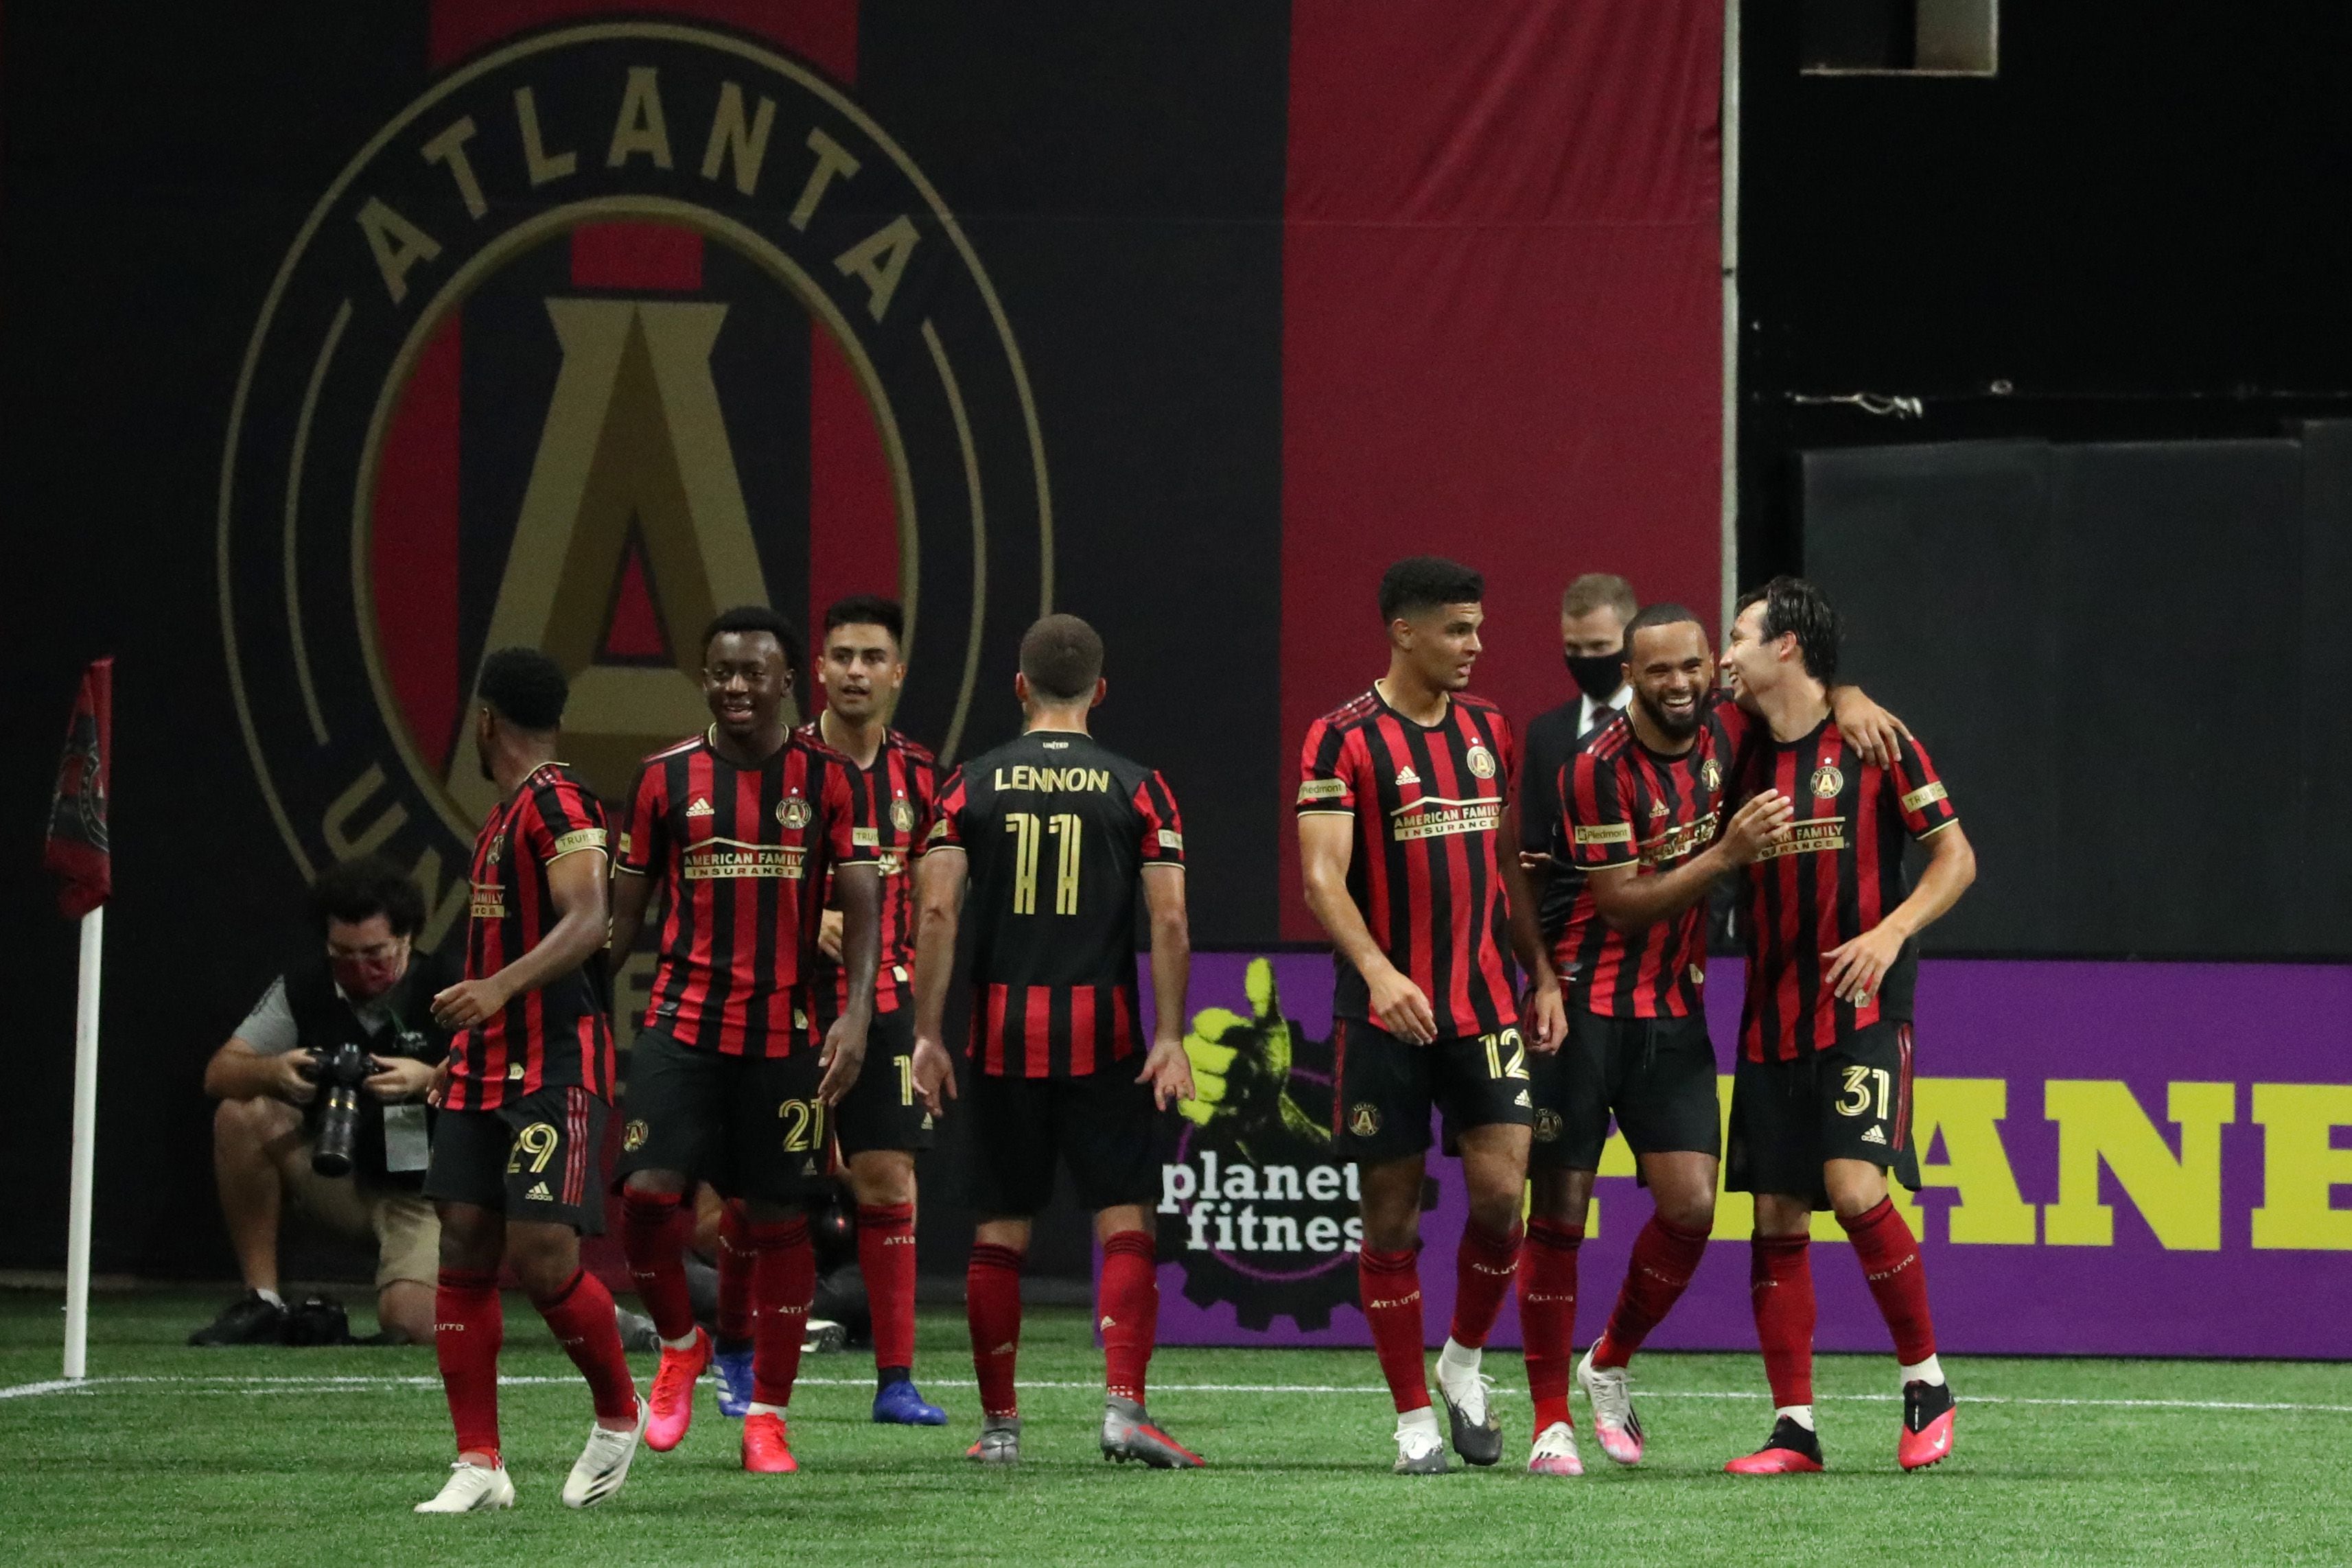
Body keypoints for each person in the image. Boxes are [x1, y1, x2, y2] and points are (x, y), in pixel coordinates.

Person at [1523, 605, 1907, 1473]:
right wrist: (1726, 854)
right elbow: (1620, 903)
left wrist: (1845, 694)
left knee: (1693, 1206)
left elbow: (1800, 699)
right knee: (1558, 1213)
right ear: (1631, 675)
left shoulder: (1723, 741)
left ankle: (1608, 1360)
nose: (1683, 682)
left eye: (1695, 665)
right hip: (1584, 1006)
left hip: (1673, 1011)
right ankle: (1551, 1421)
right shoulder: (1596, 768)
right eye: (1659, 671)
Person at [1295, 557, 1565, 1475]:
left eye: (1477, 629)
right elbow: (1321, 876)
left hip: (1484, 1003)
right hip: (1385, 1017)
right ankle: (1411, 1414)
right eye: (1457, 629)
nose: (1474, 645)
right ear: (1403, 632)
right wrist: (1376, 973)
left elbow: (1505, 867)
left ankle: (1459, 1362)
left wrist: (1539, 972)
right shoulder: (1340, 739)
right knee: (1391, 1219)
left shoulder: (1489, 729)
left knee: (1500, 1199)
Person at [911, 613, 1200, 1468]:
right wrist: (1172, 1033)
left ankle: (1000, 1426)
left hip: (1001, 1033)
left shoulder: (967, 786)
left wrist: (927, 1033)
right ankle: (1124, 1411)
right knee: (1123, 1216)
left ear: (1019, 687)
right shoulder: (1139, 786)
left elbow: (935, 912)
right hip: (1103, 1033)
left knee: (1000, 1229)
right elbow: (1171, 918)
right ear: (1099, 691)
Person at [607, 605, 883, 1477]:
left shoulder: (831, 777)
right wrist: (573, 1003)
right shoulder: (662, 780)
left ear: (785, 681)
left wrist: (857, 1012)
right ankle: (682, 1345)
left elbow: (865, 903)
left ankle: (767, 1414)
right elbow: (619, 923)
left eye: (751, 672)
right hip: (680, 1024)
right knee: (647, 1201)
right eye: (720, 670)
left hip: (783, 1034)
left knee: (779, 1219)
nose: (734, 686)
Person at [1716, 576, 1975, 1475]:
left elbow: (1955, 857)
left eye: (1739, 634)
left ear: (1784, 644)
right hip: (1765, 1019)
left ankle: (1925, 1380)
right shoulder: (1736, 752)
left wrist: (1889, 930)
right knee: (1776, 1213)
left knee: (1855, 1188)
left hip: (1862, 1008)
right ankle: (1792, 1428)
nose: (1725, 651)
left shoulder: (1873, 739)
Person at [415, 648, 643, 1514]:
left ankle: (620, 1413)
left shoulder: (556, 798)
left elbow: (589, 922)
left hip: (551, 1064)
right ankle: (480, 1461)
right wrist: (459, 1050)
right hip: (485, 1065)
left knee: (543, 1253)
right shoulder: (503, 815)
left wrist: (497, 990)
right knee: (464, 1242)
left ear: (484, 721)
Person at [796, 594, 953, 1425]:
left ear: (896, 672)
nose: (855, 670)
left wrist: (926, 1026)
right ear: (818, 668)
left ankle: (894, 1380)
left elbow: (937, 899)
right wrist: (803, 916)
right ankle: (746, 1361)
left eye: (871, 657)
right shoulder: (778, 764)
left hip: (886, 1000)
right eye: (842, 656)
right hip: (785, 998)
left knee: (890, 1179)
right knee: (767, 1187)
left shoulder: (920, 774)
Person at [194, 856, 452, 1347]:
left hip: (425, 1192)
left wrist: (427, 1078)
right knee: (241, 1112)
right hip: (340, 1173)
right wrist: (276, 1071)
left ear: (408, 938)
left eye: (375, 954)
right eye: (343, 955)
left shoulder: (450, 985)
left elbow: (510, 1080)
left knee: (414, 1322)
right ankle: (262, 1300)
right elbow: (220, 1072)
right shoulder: (305, 987)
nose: (360, 969)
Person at [1520, 574, 1638, 911]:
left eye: (1600, 647)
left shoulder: (1667, 724)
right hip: (1568, 930)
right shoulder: (1545, 735)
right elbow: (1534, 846)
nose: (1585, 659)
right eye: (1573, 649)